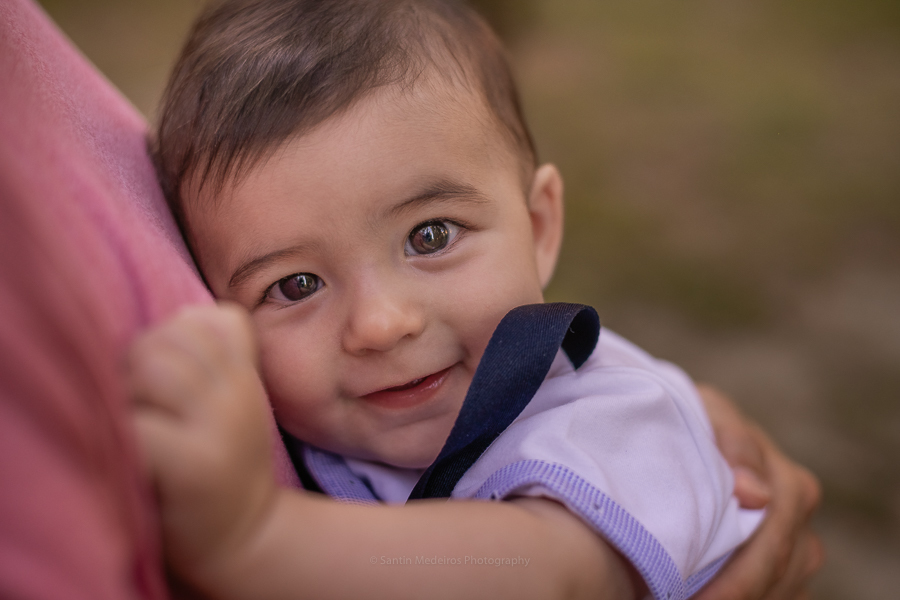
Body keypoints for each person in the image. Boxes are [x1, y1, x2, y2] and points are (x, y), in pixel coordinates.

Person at [132, 1, 823, 599]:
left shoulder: (611, 422)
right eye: (295, 286)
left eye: (430, 236)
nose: (380, 325)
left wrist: (257, 538)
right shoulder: (326, 426)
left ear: (540, 226)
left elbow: (545, 575)